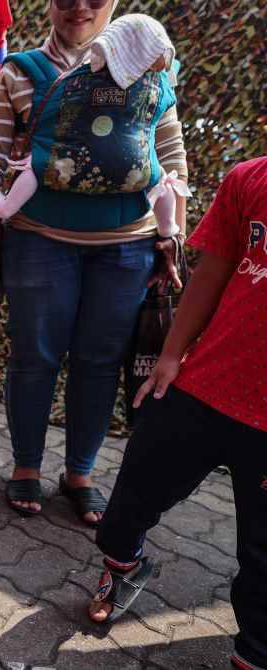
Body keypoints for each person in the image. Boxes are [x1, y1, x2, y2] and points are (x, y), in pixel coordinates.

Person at [0, 0, 189, 526]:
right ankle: (26, 466)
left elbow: (173, 156)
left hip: (127, 249)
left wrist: (172, 241)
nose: (79, 6)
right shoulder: (19, 73)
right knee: (35, 356)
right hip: (40, 241)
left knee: (99, 362)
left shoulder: (152, 66)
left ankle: (81, 473)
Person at [86, 156, 267, 670]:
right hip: (205, 383)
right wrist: (170, 356)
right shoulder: (250, 179)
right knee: (131, 494)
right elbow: (214, 269)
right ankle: (124, 568)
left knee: (263, 559)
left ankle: (253, 654)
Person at [0, 13, 192, 238]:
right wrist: (175, 236)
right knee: (162, 181)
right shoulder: (157, 84)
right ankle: (167, 226)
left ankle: (8, 206)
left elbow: (171, 149)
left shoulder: (67, 76)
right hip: (119, 227)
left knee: (37, 166)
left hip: (110, 230)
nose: (81, 5)